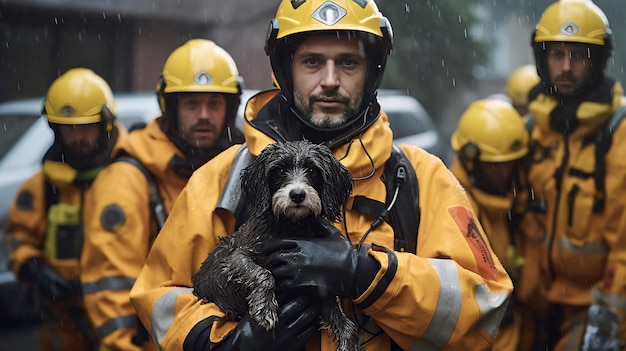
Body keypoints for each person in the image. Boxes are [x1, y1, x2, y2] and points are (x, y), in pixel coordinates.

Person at [129, 1, 513, 350]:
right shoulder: (219, 179)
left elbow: (484, 306)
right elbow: (158, 298)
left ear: (371, 72)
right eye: (312, 61)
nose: (330, 80)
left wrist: (365, 274)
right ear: (285, 69)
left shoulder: (421, 179)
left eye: (348, 62)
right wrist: (228, 346)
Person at [79, 38, 245, 351]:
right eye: (191, 104)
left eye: (215, 103)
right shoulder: (128, 178)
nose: (205, 115)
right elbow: (111, 288)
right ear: (170, 108)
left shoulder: (238, 169)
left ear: (230, 106)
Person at [522, 1, 626, 350]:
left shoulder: (619, 133)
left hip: (592, 307)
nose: (566, 67)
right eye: (557, 55)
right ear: (542, 59)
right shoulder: (532, 130)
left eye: (578, 55)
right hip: (532, 305)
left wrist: (609, 317)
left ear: (597, 61)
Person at [4, 67, 125, 351]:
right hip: (61, 325)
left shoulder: (129, 179)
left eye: (86, 127)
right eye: (69, 128)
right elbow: (16, 241)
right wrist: (34, 268)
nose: (77, 137)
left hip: (120, 318)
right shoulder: (40, 188)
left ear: (106, 125)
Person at [450, 98, 538, 350]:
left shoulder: (507, 203)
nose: (503, 175)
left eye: (510, 164)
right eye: (494, 166)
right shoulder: (461, 210)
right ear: (471, 161)